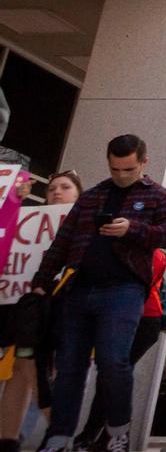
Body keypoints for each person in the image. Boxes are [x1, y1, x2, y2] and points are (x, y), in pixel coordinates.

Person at [32, 135, 166, 452]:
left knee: (114, 361)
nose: (121, 175)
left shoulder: (158, 196)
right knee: (71, 364)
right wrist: (42, 279)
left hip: (124, 289)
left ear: (144, 162)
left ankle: (117, 432)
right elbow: (63, 241)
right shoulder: (93, 196)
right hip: (79, 286)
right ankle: (59, 436)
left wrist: (133, 229)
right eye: (115, 168)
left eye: (128, 168)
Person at [0, 171, 82, 452]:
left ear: (78, 195)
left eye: (65, 187)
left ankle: (59, 437)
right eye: (52, 189)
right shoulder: (31, 222)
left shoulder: (81, 228)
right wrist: (13, 202)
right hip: (22, 310)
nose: (57, 192)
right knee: (21, 370)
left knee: (35, 372)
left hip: (53, 313)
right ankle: (8, 440)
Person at [74, 249, 166, 451]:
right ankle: (102, 436)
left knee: (112, 375)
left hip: (144, 319)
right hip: (124, 317)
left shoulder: (155, 254)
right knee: (111, 375)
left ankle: (99, 436)